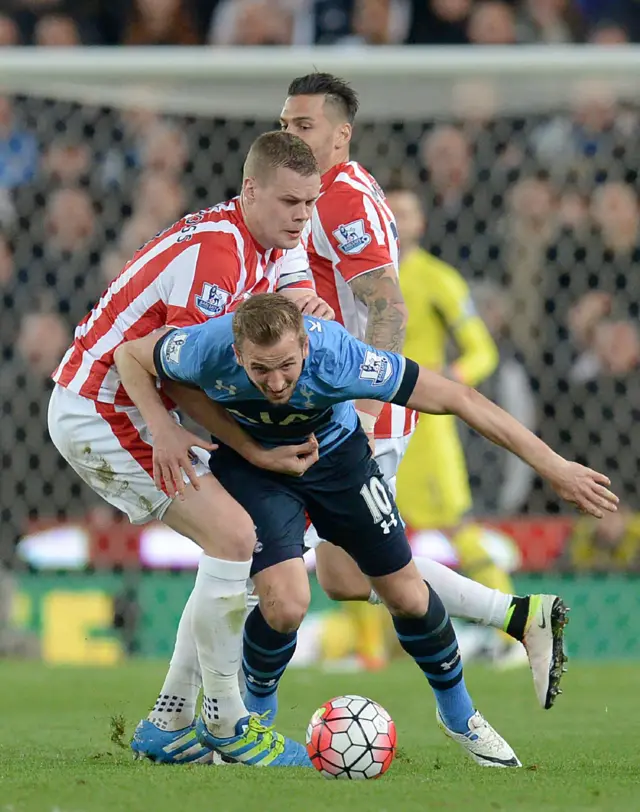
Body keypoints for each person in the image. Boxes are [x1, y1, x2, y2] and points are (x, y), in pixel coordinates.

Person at [146, 74, 574, 757]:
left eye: (305, 124)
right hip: (308, 396)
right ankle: (515, 615)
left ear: (341, 135)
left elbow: (388, 307)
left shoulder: (339, 195)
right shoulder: (313, 192)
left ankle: (188, 716)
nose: (291, 133)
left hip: (344, 404)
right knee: (338, 576)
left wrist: (364, 414)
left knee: (321, 567)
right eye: (284, 121)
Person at [114, 293, 618, 768]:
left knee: (406, 596)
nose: (274, 382)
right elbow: (133, 356)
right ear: (236, 352)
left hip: (338, 461)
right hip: (257, 472)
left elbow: (460, 398)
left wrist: (555, 468)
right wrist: (167, 429)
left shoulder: (338, 356)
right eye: (260, 369)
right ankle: (258, 716)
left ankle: (461, 716)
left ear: (306, 346)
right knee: (285, 604)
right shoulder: (205, 346)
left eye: (287, 365)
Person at [48, 132, 335, 768]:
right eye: (290, 201)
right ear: (251, 190)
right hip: (106, 408)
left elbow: (288, 282)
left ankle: (169, 720)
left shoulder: (258, 242)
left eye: (310, 204)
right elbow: (164, 368)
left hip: (123, 405)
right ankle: (227, 722)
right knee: (235, 536)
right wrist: (170, 431)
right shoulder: (219, 257)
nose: (302, 217)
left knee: (231, 540)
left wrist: (304, 297)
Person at [387, 185, 524, 667]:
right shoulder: (358, 275)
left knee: (456, 527)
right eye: (389, 212)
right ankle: (374, 651)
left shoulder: (438, 280)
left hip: (423, 423)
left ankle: (514, 634)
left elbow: (481, 349)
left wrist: (450, 382)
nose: (397, 221)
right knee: (363, 530)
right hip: (369, 418)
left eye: (406, 213)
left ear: (421, 223)